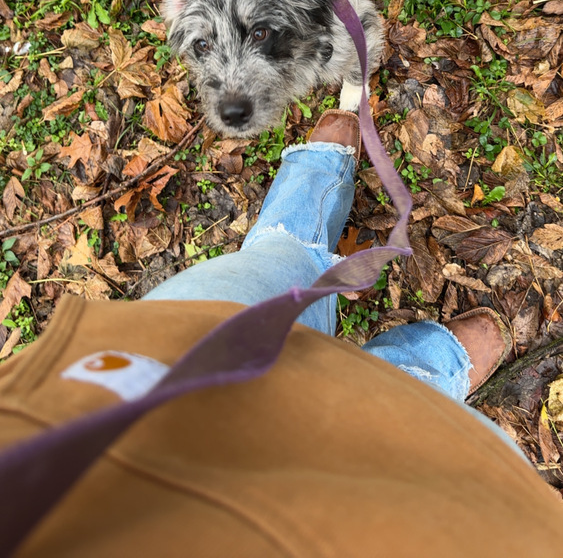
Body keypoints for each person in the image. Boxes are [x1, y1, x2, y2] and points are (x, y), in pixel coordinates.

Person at [0, 112, 561, 557]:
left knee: (261, 284)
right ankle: (421, 376)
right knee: (389, 444)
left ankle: (299, 233)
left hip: (85, 438)